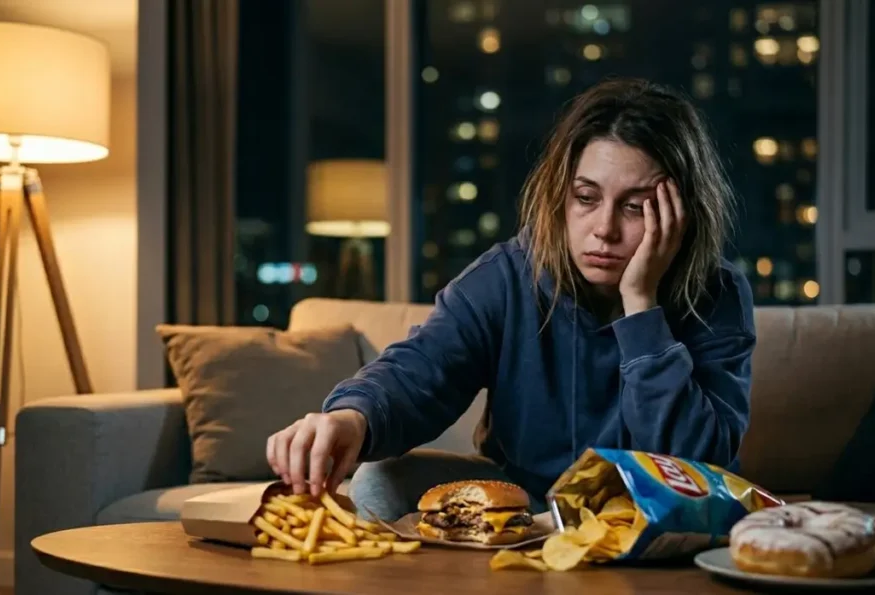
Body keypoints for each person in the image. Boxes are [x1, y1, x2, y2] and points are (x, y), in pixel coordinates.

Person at [266, 78, 756, 521]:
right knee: (379, 480)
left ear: (679, 214)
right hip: (526, 509)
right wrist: (351, 417)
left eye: (634, 207)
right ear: (560, 196)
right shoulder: (506, 277)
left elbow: (695, 466)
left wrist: (641, 307)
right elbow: (421, 370)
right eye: (586, 198)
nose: (604, 229)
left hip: (657, 515)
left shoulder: (719, 295)